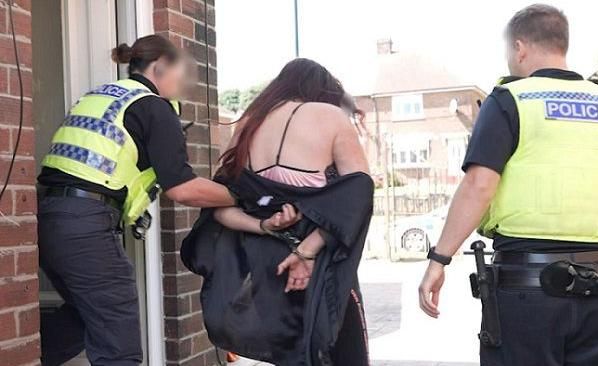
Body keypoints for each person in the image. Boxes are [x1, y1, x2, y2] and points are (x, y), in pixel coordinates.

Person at [37, 35, 298, 366]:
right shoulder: (152, 107)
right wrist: (246, 194)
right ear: (160, 65)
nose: (184, 82)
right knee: (120, 344)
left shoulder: (101, 97)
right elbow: (183, 188)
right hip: (85, 222)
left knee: (83, 317)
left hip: (48, 217)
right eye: (181, 72)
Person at [418, 4, 598, 366]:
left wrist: (439, 259)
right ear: (562, 45)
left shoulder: (510, 101)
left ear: (520, 48)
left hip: (527, 293)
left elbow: (480, 185)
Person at [181, 58, 373, 365]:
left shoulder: (249, 124)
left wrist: (265, 226)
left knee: (291, 357)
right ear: (322, 91)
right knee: (343, 353)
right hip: (321, 265)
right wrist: (306, 252)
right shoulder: (330, 115)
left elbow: (219, 210)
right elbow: (359, 195)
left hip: (266, 269)